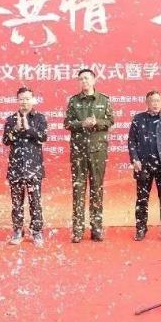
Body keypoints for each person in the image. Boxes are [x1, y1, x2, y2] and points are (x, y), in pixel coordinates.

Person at [64, 68, 114, 243]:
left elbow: (110, 121)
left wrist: (96, 122)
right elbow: (67, 123)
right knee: (78, 190)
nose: (84, 81)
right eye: (81, 79)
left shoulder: (104, 100)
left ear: (94, 80)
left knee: (96, 189)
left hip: (98, 151)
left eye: (86, 78)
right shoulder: (74, 101)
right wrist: (81, 124)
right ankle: (78, 230)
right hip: (78, 151)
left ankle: (96, 228)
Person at [127, 90, 161, 242]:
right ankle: (141, 228)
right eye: (152, 101)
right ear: (147, 103)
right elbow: (131, 141)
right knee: (142, 199)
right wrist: (135, 159)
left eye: (158, 101)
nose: (155, 104)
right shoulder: (138, 119)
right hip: (143, 166)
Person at [3, 87, 47, 247]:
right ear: (17, 100)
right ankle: (17, 231)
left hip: (34, 168)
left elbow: (43, 137)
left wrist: (29, 129)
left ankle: (37, 232)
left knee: (35, 202)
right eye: (21, 99)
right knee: (16, 203)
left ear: (33, 100)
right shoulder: (11, 119)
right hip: (16, 167)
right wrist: (15, 130)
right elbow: (6, 141)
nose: (24, 102)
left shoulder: (40, 118)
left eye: (27, 99)